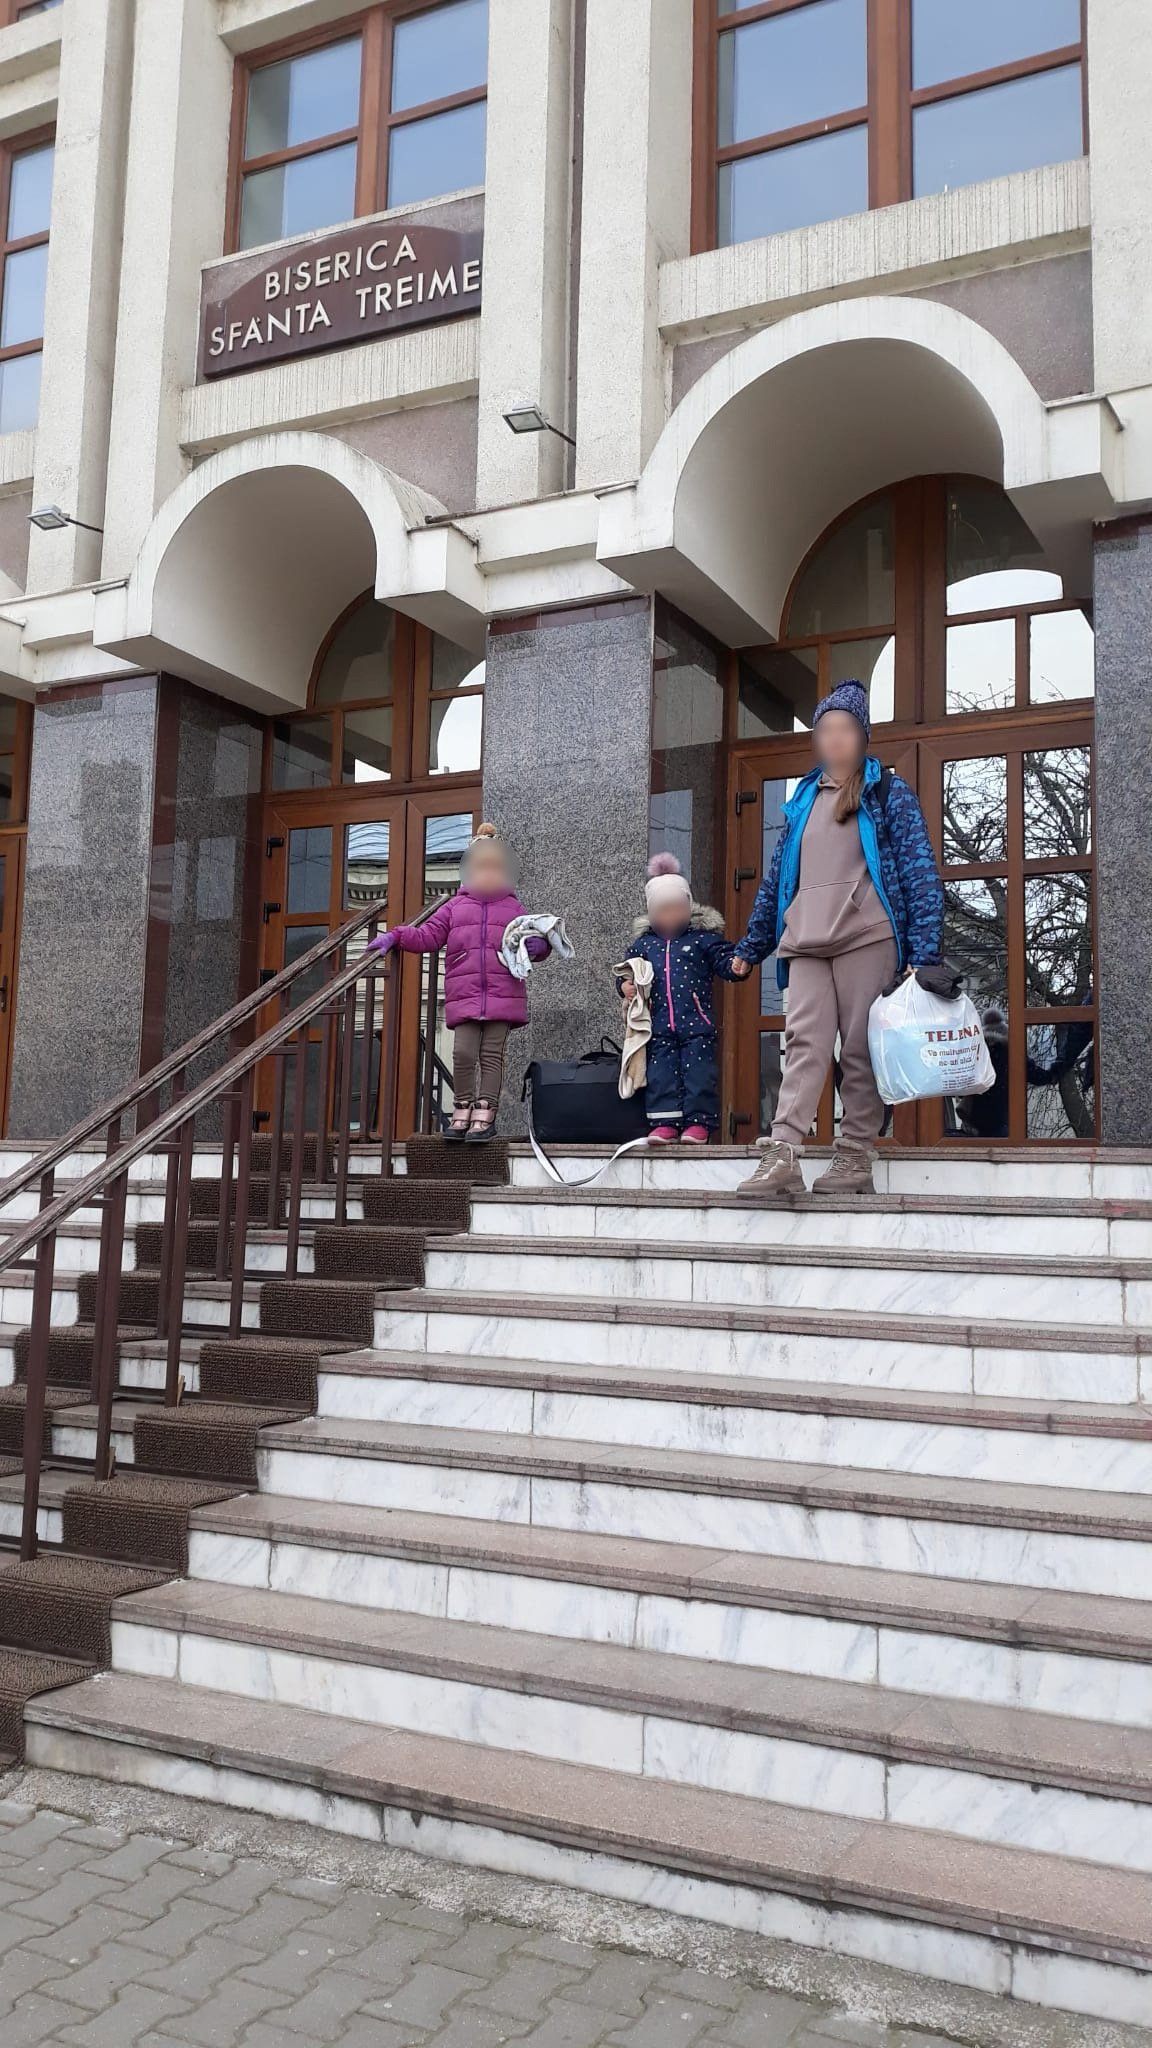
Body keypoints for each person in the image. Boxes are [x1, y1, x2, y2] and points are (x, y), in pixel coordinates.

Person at [731, 681, 943, 1197]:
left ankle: (854, 1155)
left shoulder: (886, 793)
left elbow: (919, 871)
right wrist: (751, 947)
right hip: (804, 939)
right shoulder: (803, 801)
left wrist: (924, 951)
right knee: (802, 1043)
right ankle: (781, 1153)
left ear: (862, 736)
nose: (835, 739)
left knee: (861, 1050)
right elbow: (780, 880)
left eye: (845, 729)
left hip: (866, 937)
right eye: (825, 729)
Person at [370, 823, 547, 1142]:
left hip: (503, 995)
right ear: (469, 871)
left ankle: (486, 1111)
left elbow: (534, 938)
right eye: (482, 867)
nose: (488, 874)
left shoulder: (514, 908)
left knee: (492, 1054)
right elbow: (427, 935)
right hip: (464, 994)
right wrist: (396, 935)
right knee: (464, 1053)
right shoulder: (454, 907)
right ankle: (462, 1107)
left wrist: (539, 947)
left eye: (495, 868)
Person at [618, 852, 744, 1144]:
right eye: (664, 910)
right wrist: (625, 985)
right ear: (652, 914)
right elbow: (627, 972)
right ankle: (665, 1123)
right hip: (658, 1025)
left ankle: (698, 1124)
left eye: (678, 908)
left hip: (697, 1024)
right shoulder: (644, 945)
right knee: (662, 1075)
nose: (672, 916)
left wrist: (737, 964)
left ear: (689, 907)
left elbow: (724, 959)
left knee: (699, 1075)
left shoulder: (702, 939)